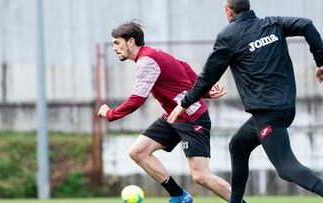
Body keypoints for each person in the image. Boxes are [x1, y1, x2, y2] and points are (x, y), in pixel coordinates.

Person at [167, 0, 323, 202]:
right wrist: (320, 62)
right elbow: (306, 24)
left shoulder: (228, 36)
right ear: (248, 8)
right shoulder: (272, 24)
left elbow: (207, 77)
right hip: (284, 109)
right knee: (238, 146)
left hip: (268, 113)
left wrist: (184, 103)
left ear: (228, 11)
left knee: (285, 167)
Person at [97, 20, 244, 203]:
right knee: (138, 152)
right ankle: (179, 196)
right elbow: (183, 66)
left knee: (201, 176)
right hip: (173, 116)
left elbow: (137, 99)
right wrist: (203, 92)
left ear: (131, 41)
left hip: (192, 118)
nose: (114, 47)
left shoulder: (146, 61)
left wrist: (110, 113)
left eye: (117, 42)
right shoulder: (153, 54)